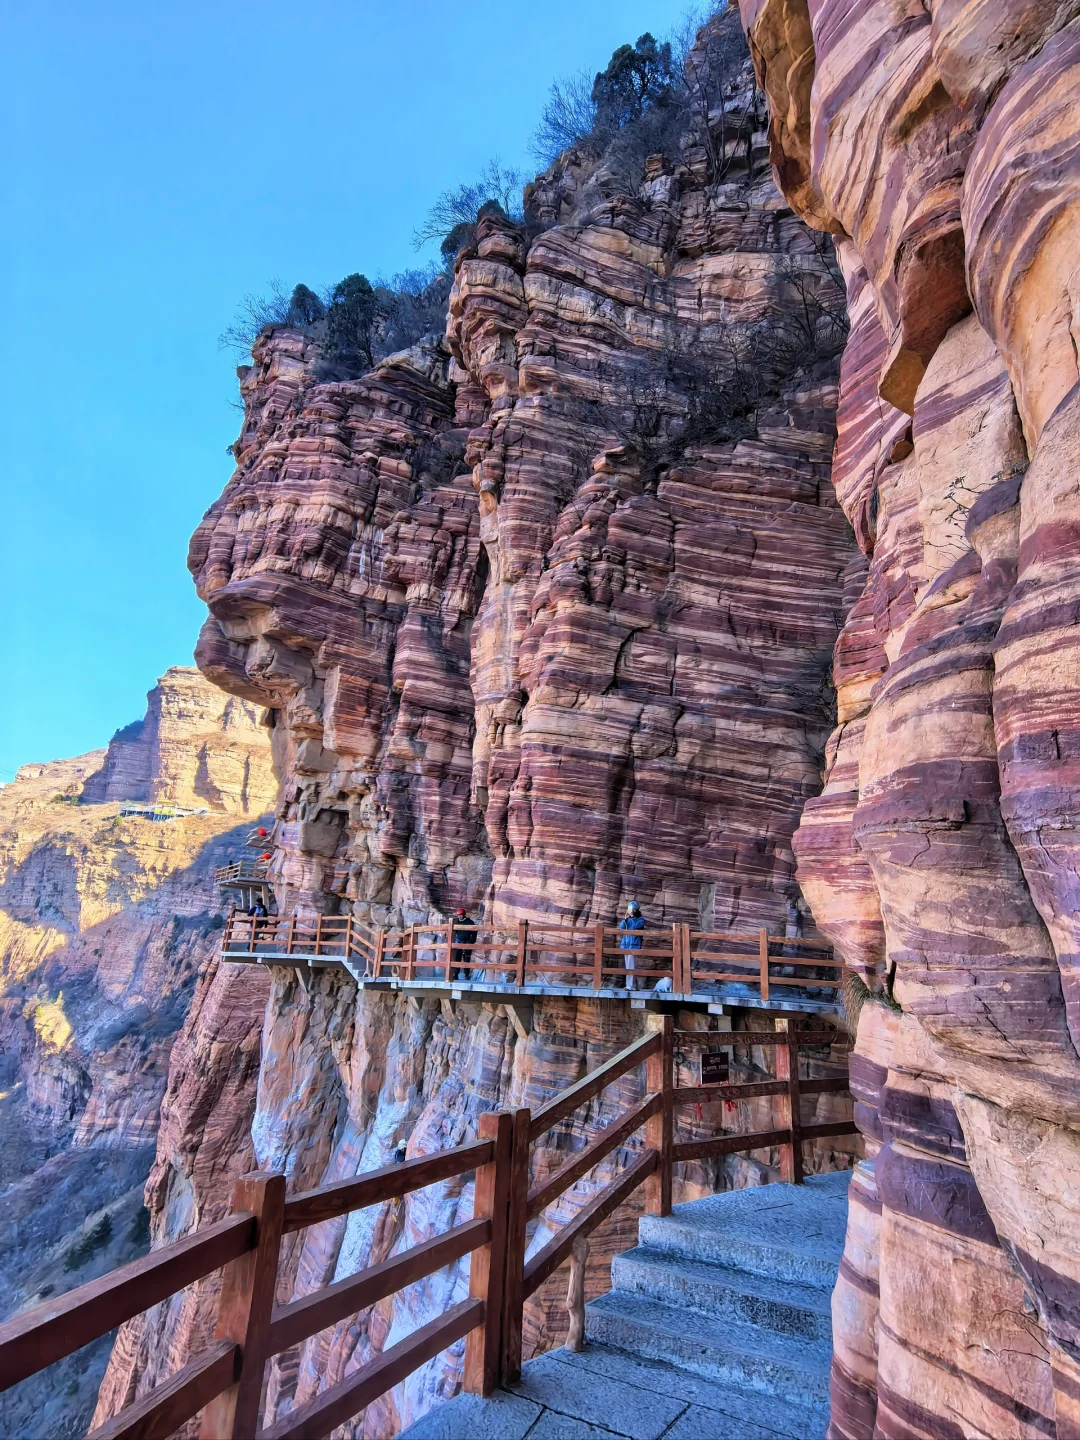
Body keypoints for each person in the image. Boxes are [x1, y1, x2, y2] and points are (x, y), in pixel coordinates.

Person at [618, 901, 646, 990]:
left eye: (631, 909)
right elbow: (621, 927)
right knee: (628, 966)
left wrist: (632, 917)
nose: (630, 911)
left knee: (632, 966)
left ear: (635, 910)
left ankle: (630, 986)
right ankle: (633, 985)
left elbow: (635, 926)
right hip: (626, 945)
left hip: (634, 945)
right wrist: (625, 918)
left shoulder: (641, 920)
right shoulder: (628, 920)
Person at [451, 907, 477, 982]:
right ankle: (455, 974)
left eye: (460, 915)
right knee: (457, 958)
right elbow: (453, 932)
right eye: (458, 915)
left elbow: (474, 932)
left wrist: (471, 941)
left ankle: (466, 974)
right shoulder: (456, 922)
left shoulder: (470, 922)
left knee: (466, 958)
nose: (459, 916)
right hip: (458, 940)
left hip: (467, 941)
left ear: (463, 915)